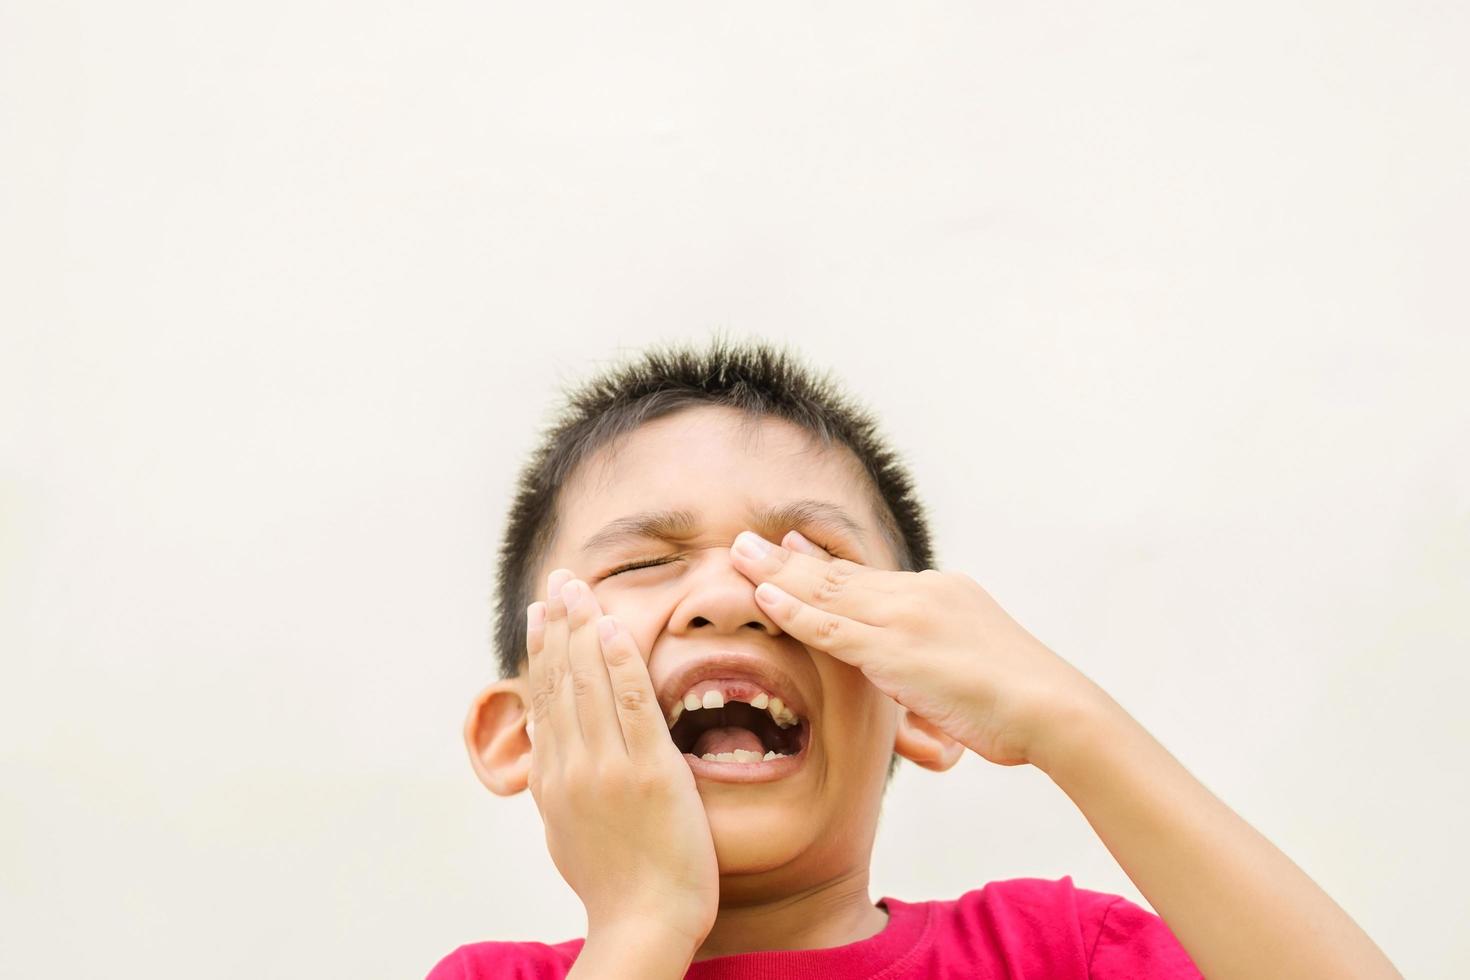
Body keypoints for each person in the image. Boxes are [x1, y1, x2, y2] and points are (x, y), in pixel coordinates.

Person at [427, 335, 1401, 979]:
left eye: (816, 569)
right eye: (643, 561)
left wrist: (1070, 720)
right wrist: (641, 925)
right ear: (520, 735)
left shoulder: (1055, 955)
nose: (729, 597)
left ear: (925, 704)